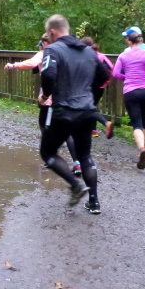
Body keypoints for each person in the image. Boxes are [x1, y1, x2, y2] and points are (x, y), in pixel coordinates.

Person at [39, 15, 109, 214]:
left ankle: (76, 185)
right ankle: (94, 202)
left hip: (64, 110)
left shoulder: (53, 50)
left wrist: (45, 95)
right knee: (85, 155)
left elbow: (48, 74)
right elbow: (104, 75)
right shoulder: (88, 51)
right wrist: (87, 94)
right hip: (86, 110)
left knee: (48, 152)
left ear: (52, 32)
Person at [5, 34, 83, 176]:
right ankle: (77, 163)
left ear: (45, 43)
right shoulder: (66, 53)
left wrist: (13, 65)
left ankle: (51, 157)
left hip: (50, 98)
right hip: (68, 97)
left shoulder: (46, 53)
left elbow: (32, 62)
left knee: (44, 125)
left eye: (41, 44)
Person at [112, 30, 145, 170]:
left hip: (130, 92)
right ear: (140, 41)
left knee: (137, 124)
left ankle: (141, 149)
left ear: (129, 42)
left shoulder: (123, 55)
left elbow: (115, 73)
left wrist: (126, 78)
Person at [81, 37, 114, 139]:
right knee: (92, 106)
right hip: (100, 86)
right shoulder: (101, 56)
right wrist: (105, 82)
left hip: (87, 86)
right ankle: (93, 130)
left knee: (87, 107)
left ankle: (104, 123)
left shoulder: (84, 55)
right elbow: (111, 68)